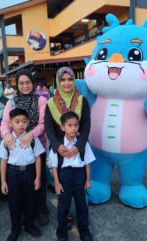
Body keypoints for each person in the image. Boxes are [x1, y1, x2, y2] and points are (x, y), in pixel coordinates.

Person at [0, 69, 49, 225]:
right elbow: (4, 124)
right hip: (16, 148)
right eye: (21, 83)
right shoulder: (11, 102)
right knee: (20, 183)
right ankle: (22, 212)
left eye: (28, 82)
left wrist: (31, 134)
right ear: (17, 85)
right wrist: (6, 135)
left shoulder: (41, 100)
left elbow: (43, 123)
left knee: (37, 180)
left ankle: (40, 211)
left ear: (32, 83)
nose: (25, 86)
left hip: (35, 145)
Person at [44, 67, 91, 230]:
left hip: (78, 149)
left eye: (70, 79)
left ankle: (82, 218)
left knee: (79, 188)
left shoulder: (82, 100)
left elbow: (86, 126)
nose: (66, 83)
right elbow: (49, 128)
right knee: (63, 190)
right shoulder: (50, 103)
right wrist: (57, 146)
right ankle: (66, 217)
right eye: (62, 80)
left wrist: (79, 146)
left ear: (74, 80)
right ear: (58, 81)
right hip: (61, 150)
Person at [0, 108, 45, 241]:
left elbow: (38, 159)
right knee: (14, 203)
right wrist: (3, 181)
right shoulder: (7, 141)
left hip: (29, 173)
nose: (21, 124)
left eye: (24, 121)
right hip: (13, 174)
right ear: (11, 123)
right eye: (17, 122)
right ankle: (15, 229)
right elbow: (3, 161)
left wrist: (37, 178)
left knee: (30, 200)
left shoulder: (32, 139)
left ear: (28, 122)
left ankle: (29, 225)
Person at [49, 111, 95, 241]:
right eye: (69, 125)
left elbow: (87, 162)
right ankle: (62, 235)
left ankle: (85, 233)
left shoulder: (82, 143)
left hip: (79, 175)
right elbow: (54, 166)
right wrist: (56, 183)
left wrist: (87, 180)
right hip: (64, 177)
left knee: (82, 206)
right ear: (63, 127)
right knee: (63, 208)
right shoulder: (57, 145)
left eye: (75, 125)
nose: (73, 128)